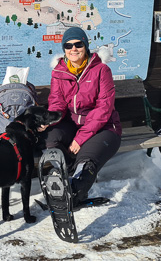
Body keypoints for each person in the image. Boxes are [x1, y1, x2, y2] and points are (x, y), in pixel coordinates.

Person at [40, 26, 121, 204]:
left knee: (86, 161)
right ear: (64, 50)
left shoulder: (101, 70)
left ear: (85, 45)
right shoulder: (59, 72)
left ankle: (76, 192)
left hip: (104, 127)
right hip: (72, 124)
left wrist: (80, 138)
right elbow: (57, 102)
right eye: (68, 46)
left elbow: (104, 109)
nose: (73, 49)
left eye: (78, 44)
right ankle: (59, 182)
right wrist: (49, 120)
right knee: (50, 140)